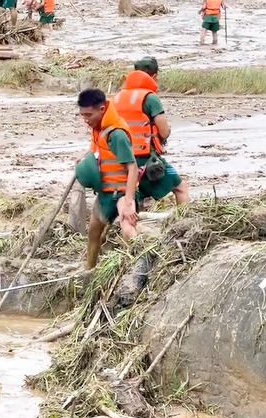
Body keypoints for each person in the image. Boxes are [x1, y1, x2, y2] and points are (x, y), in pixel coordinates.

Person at [113, 57, 189, 208]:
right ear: (154, 76)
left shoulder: (118, 96)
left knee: (135, 195)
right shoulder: (150, 98)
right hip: (145, 158)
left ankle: (134, 225)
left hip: (119, 157)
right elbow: (164, 131)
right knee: (180, 188)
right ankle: (183, 221)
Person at [77, 88, 139, 269]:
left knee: (128, 228)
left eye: (89, 114)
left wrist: (128, 202)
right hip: (105, 192)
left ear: (102, 109)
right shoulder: (97, 129)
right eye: (82, 115)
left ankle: (137, 265)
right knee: (93, 233)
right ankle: (89, 270)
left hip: (120, 192)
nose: (86, 120)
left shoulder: (117, 134)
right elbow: (96, 152)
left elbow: (132, 168)